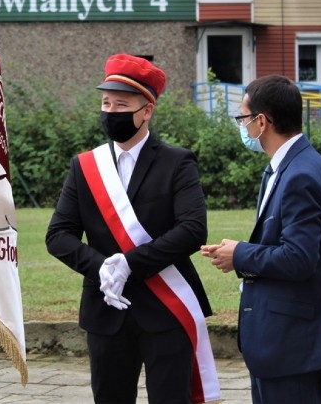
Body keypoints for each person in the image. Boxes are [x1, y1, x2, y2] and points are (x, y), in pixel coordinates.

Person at [46, 54, 219, 404]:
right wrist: (102, 266)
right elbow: (58, 235)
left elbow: (192, 229)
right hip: (106, 310)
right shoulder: (84, 166)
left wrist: (130, 263)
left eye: (121, 104)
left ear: (147, 110)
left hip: (166, 309)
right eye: (106, 102)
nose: (110, 111)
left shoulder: (177, 162)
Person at [201, 75, 321, 404]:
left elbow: (299, 258)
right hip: (282, 338)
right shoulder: (288, 166)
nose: (243, 127)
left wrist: (240, 255)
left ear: (262, 121)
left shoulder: (300, 173)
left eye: (244, 118)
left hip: (293, 342)